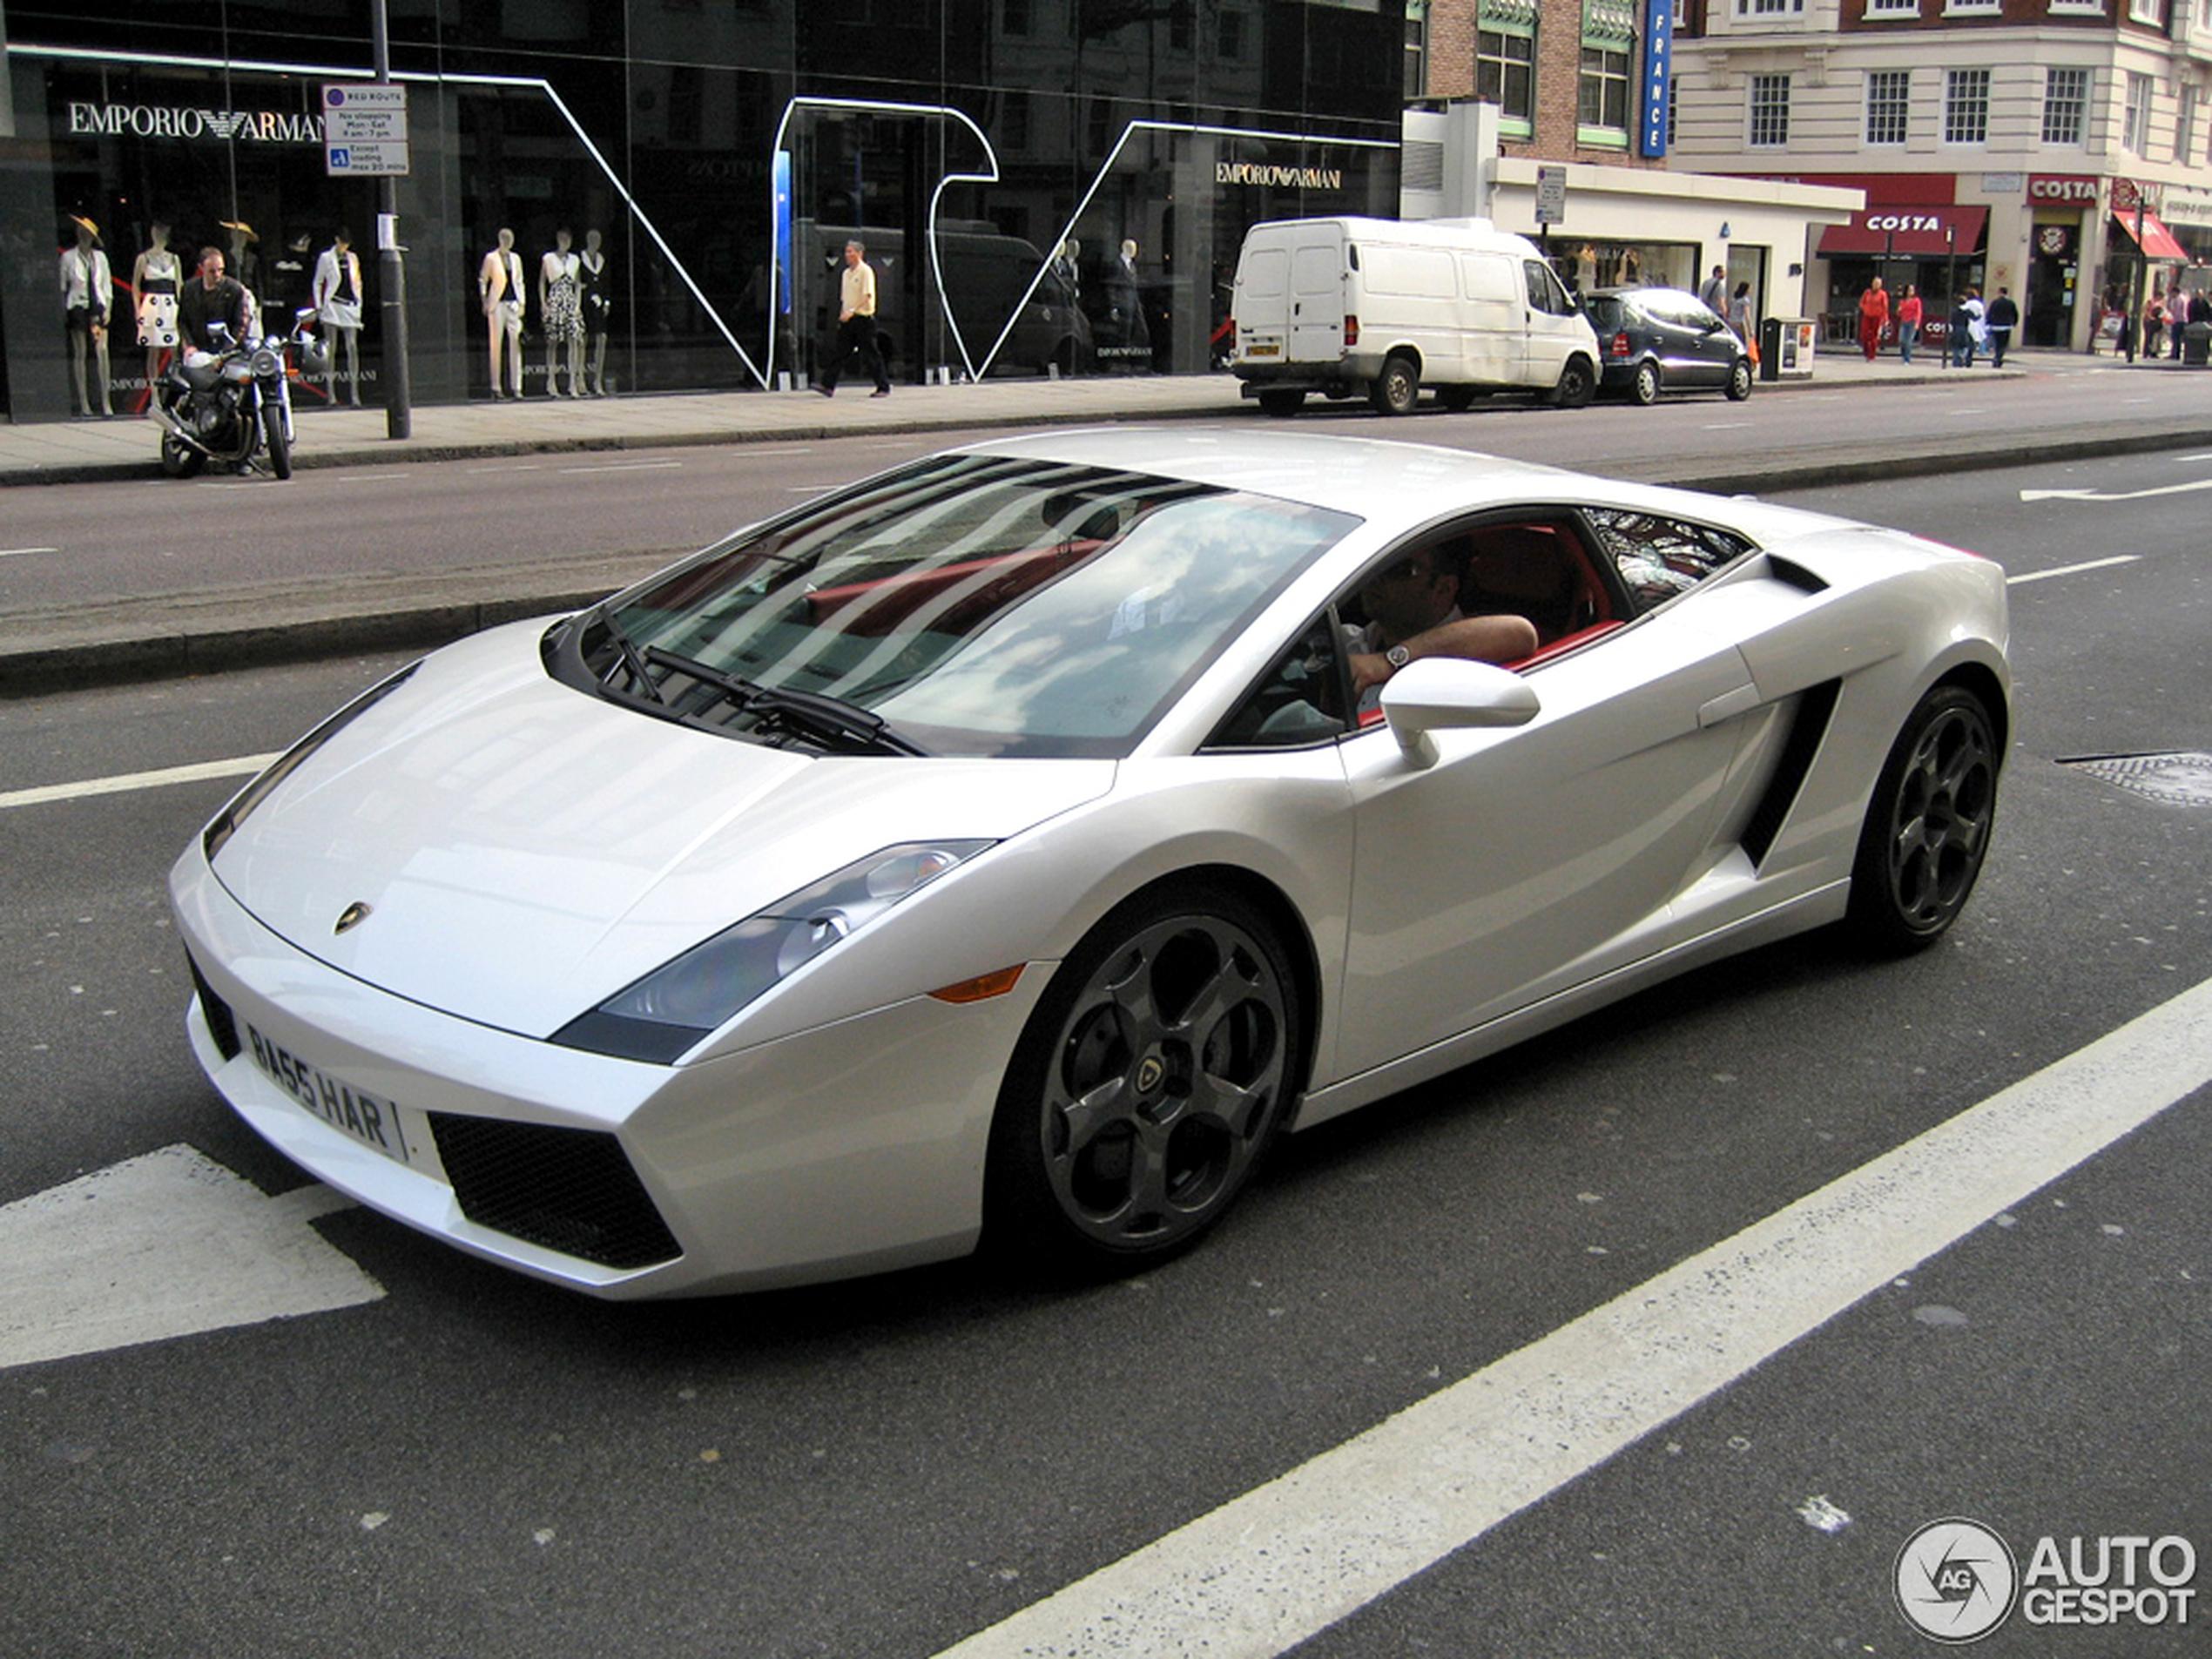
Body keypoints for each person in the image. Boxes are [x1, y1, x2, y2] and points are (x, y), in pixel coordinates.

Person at [1343, 543, 1540, 711]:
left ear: (1443, 588)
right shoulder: (1346, 639)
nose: (1376, 577)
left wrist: (1387, 662)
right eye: (1376, 564)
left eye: (1399, 569)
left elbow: (1521, 633)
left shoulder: (1469, 660)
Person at [815, 239, 890, 398]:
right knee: (840, 352)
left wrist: (852, 310)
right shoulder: (846, 274)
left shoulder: (866, 271)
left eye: (851, 252)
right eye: (846, 252)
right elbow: (845, 297)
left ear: (859, 253)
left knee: (871, 354)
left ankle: (883, 387)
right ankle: (827, 385)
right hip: (848, 319)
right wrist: (843, 314)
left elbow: (867, 296)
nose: (847, 255)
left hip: (863, 318)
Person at [61, 215, 114, 418]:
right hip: (78, 306)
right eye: (81, 232)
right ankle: (84, 402)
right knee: (80, 353)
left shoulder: (100, 258)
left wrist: (108, 307)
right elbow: (63, 287)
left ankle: (106, 401)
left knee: (102, 351)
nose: (83, 236)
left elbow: (106, 286)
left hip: (98, 306)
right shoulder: (68, 257)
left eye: (87, 233)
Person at [130, 220, 183, 410]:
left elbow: (179, 286)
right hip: (152, 305)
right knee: (153, 351)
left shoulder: (174, 259)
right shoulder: (143, 258)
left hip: (169, 304)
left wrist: (182, 309)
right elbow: (135, 286)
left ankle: (176, 393)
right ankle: (154, 395)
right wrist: (137, 310)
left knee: (174, 349)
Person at [313, 228, 365, 405]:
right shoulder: (326, 258)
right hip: (333, 305)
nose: (344, 246)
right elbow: (318, 281)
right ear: (336, 240)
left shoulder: (352, 258)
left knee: (352, 347)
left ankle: (355, 395)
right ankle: (331, 394)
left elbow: (357, 282)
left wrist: (359, 303)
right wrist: (319, 306)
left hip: (349, 306)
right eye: (342, 242)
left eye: (347, 244)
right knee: (331, 350)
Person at [178, 244, 251, 355]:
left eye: (220, 270)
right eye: (212, 271)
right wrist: (189, 345)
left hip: (227, 352)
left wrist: (229, 348)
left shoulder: (235, 290)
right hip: (198, 349)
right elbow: (182, 321)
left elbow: (241, 324)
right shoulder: (189, 289)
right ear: (201, 268)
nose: (217, 275)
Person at [539, 228, 587, 398]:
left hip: (570, 301)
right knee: (553, 341)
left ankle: (573, 383)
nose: (564, 242)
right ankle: (551, 381)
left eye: (567, 239)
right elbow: (542, 282)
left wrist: (577, 305)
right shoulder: (549, 258)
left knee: (574, 340)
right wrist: (544, 303)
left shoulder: (574, 260)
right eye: (562, 239)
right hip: (555, 300)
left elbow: (578, 284)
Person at [479, 228, 525, 399]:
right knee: (496, 345)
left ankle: (516, 386)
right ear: (499, 239)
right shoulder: (491, 258)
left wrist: (522, 303)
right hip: (497, 304)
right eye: (505, 239)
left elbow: (519, 281)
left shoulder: (515, 259)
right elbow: (483, 279)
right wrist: (484, 300)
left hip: (513, 304)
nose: (507, 242)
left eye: (510, 239)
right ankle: (496, 386)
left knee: (515, 343)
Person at [579, 228, 611, 395]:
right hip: (585, 304)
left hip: (599, 305)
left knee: (601, 337)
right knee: (583, 340)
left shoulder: (602, 260)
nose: (595, 242)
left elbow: (606, 283)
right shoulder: (580, 259)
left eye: (597, 240)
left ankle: (597, 380)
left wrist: (606, 301)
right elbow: (579, 282)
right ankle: (580, 380)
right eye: (592, 239)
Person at [1858, 276, 1890, 362]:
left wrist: (1885, 319)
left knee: (1874, 337)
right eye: (1875, 283)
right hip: (1867, 316)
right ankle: (1866, 351)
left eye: (1878, 284)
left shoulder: (1883, 294)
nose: (1876, 285)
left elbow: (1885, 307)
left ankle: (1871, 355)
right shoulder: (1867, 293)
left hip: (1877, 317)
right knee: (1864, 335)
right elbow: (1861, 303)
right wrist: (1866, 308)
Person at [1985, 287, 2018, 368]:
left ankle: (1997, 357)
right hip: (2006, 326)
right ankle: (1999, 357)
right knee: (2003, 344)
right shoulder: (2010, 303)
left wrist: (1988, 322)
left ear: (2000, 293)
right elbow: (2015, 314)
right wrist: (2014, 323)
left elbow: (1990, 313)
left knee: (1997, 343)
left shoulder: (1995, 302)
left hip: (1996, 326)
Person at [1896, 282, 1923, 364]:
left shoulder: (1916, 301)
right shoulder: (1903, 301)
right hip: (1904, 321)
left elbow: (1918, 312)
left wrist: (1917, 323)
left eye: (1912, 290)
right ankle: (1903, 355)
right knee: (1902, 340)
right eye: (1910, 290)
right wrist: (1899, 311)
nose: (1911, 292)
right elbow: (1899, 313)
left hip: (1912, 322)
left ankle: (1907, 359)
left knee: (1908, 341)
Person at [2141, 288, 2166, 359]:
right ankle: (2146, 352)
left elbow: (2163, 311)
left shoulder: (2162, 302)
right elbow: (2145, 310)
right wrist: (2150, 317)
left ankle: (2154, 352)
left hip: (2158, 320)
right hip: (2149, 321)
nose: (2161, 298)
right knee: (2149, 337)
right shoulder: (2151, 302)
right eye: (2160, 297)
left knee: (2156, 338)